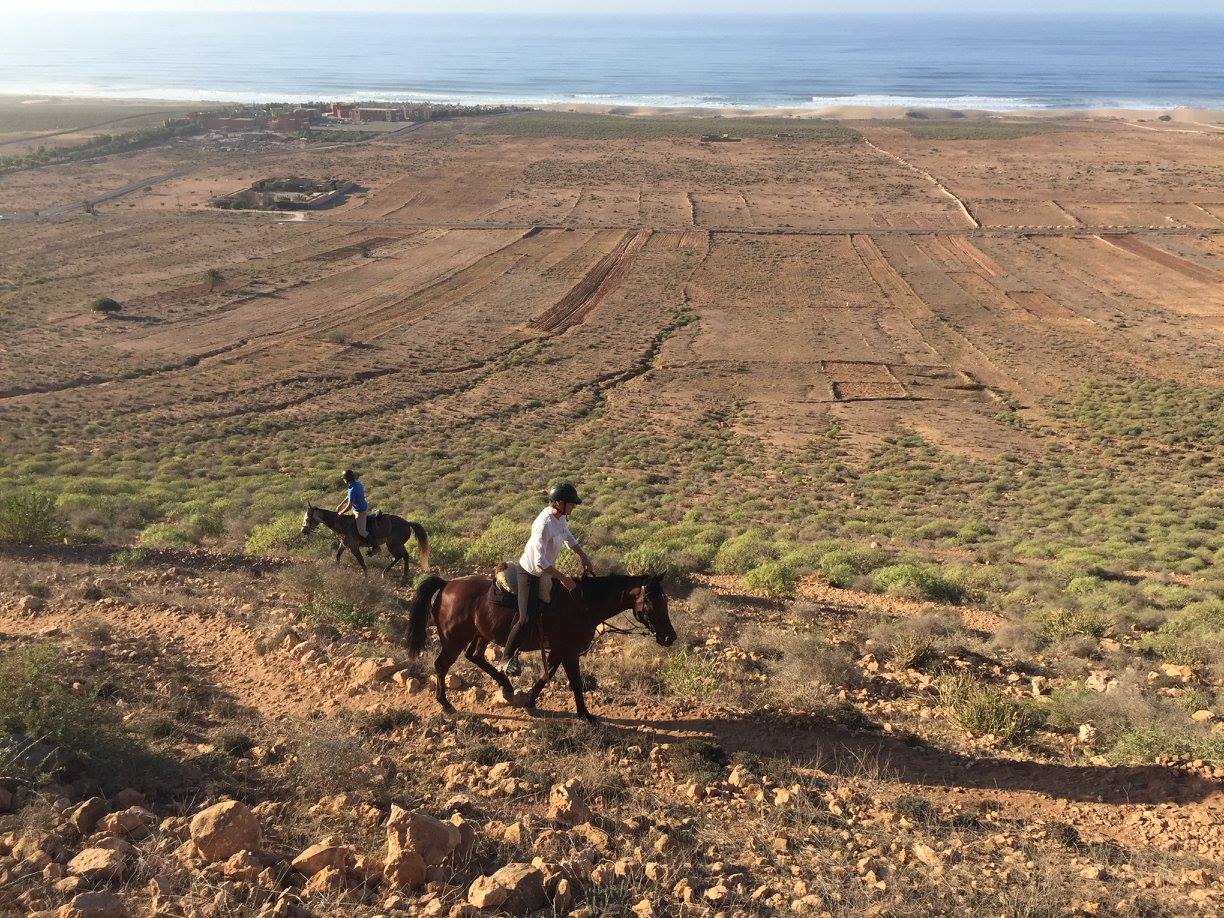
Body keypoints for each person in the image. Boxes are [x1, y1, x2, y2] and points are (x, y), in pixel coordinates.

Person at [500, 482, 594, 676]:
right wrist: (563, 578)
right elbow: (540, 561)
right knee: (526, 618)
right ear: (559, 503)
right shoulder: (543, 524)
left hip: (543, 572)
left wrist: (583, 556)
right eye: (571, 504)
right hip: (530, 573)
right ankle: (506, 657)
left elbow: (569, 537)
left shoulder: (560, 518)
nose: (574, 507)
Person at [335, 469, 377, 553]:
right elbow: (349, 497)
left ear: (346, 480)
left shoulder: (352, 489)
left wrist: (341, 512)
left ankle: (375, 546)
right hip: (357, 508)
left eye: (343, 479)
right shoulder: (356, 483)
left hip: (360, 511)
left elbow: (349, 506)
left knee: (362, 531)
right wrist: (341, 504)